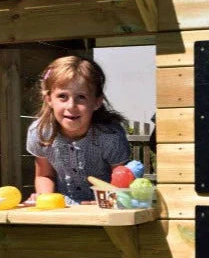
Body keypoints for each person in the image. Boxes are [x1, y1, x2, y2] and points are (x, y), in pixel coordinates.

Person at [26, 56, 131, 203]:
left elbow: (123, 178)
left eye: (81, 97)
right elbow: (44, 175)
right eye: (62, 96)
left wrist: (109, 200)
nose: (71, 106)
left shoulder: (110, 136)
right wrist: (45, 198)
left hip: (105, 206)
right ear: (49, 99)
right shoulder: (41, 133)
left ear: (97, 102)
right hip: (63, 208)